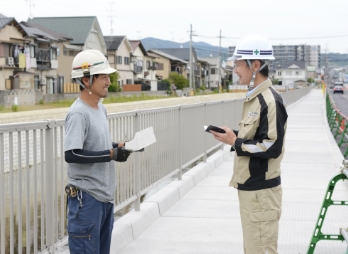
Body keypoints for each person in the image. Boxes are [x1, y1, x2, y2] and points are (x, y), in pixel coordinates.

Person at [210, 34, 288, 254]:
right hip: (252, 191)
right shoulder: (255, 98)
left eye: (238, 64)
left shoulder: (269, 100)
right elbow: (256, 138)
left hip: (261, 193)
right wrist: (232, 137)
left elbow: (272, 146)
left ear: (255, 65)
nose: (235, 69)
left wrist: (236, 142)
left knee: (260, 250)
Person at [64, 49, 131, 254]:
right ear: (86, 80)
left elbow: (93, 145)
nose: (108, 81)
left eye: (108, 76)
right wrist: (111, 155)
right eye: (103, 77)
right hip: (87, 200)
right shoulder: (78, 113)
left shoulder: (100, 109)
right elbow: (71, 154)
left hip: (104, 197)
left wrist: (116, 147)